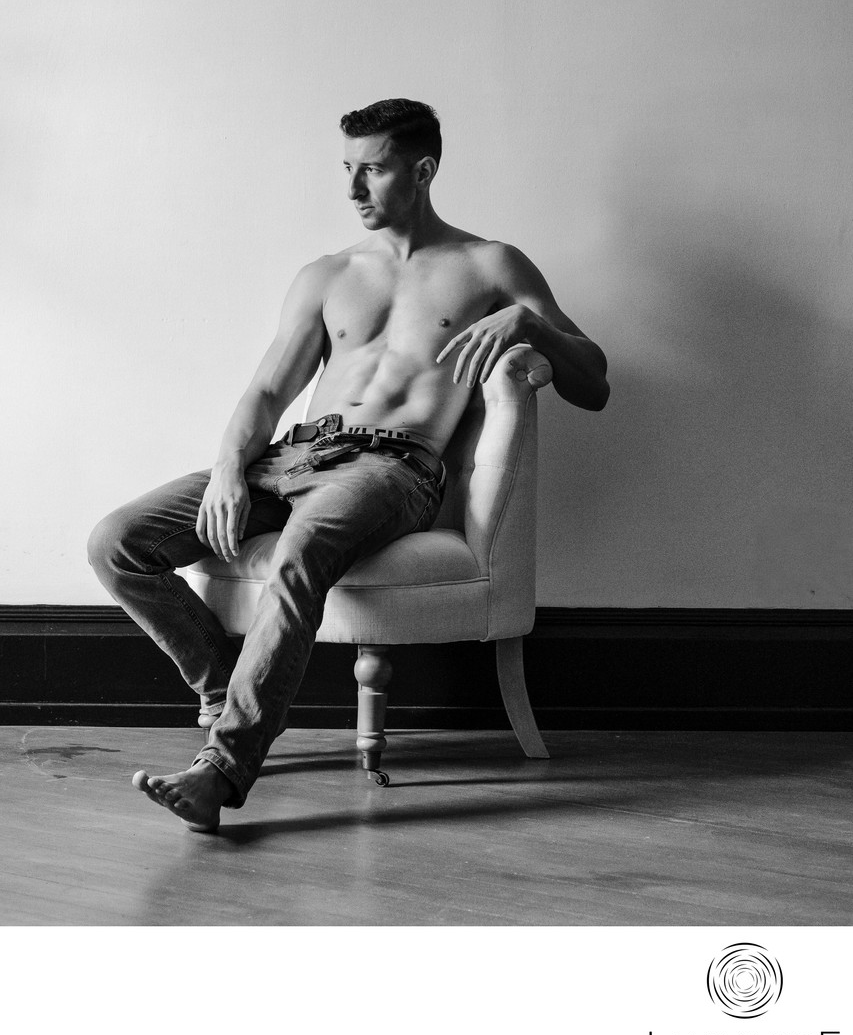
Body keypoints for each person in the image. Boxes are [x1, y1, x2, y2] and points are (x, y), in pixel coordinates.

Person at [88, 99, 609, 831]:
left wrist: (529, 324)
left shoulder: (489, 264)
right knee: (116, 542)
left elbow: (594, 384)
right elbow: (267, 391)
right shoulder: (327, 275)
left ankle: (222, 768)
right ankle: (221, 688)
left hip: (393, 467)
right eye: (347, 168)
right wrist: (231, 467)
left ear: (422, 171)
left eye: (373, 169)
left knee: (301, 550)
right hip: (292, 454)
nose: (353, 188)